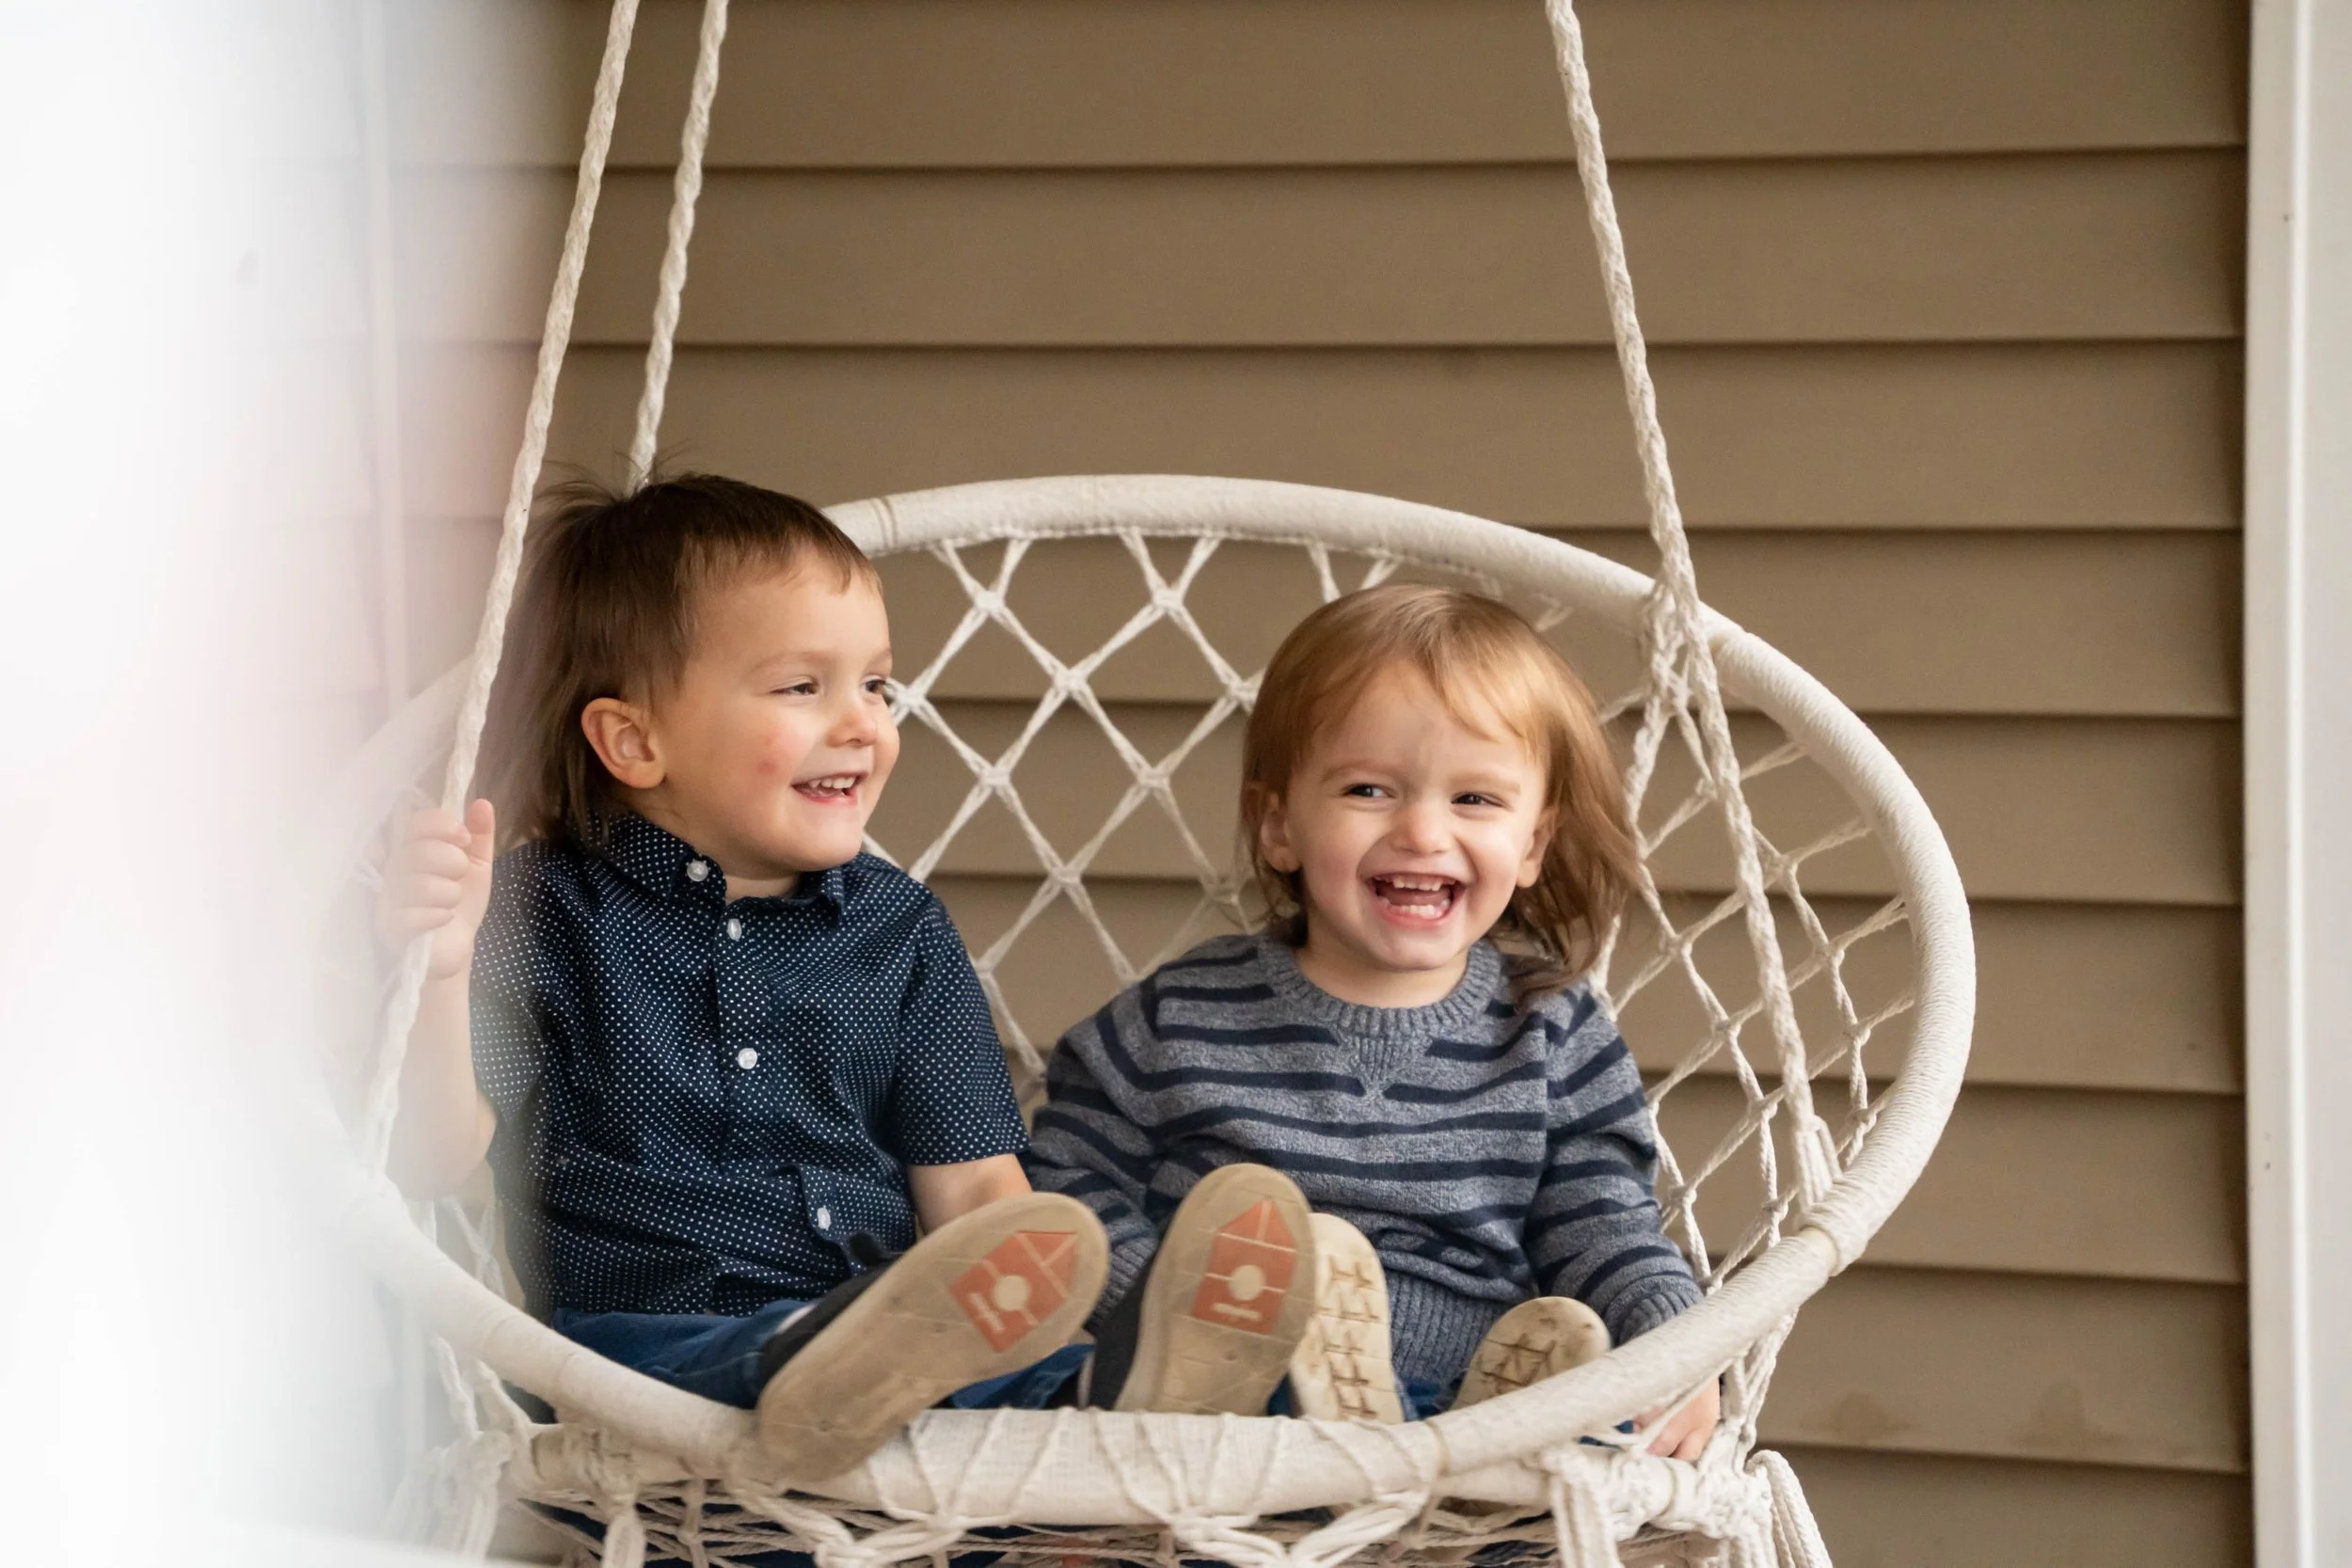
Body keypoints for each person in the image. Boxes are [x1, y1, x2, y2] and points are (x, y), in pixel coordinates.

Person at [375, 473, 1111, 1480]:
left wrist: (1033, 1325)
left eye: (876, 685)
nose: (860, 722)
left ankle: (1163, 1391)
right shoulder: (539, 915)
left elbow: (975, 1179)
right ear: (635, 740)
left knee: (1017, 1375)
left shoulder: (901, 935)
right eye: (803, 687)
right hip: (634, 1363)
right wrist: (441, 970)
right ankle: (851, 1355)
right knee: (776, 1354)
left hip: (895, 1357)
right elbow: (430, 1160)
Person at [1025, 583, 1722, 1456]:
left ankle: (1496, 1425)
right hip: (1226, 1403)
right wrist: (1158, 1308)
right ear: (1279, 824)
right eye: (1368, 789)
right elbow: (1063, 1176)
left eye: (1474, 799)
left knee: (1609, 1409)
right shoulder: (1182, 1016)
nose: (1424, 831)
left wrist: (1673, 1334)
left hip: (1465, 1404)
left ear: (1534, 845)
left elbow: (1601, 1217)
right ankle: (1314, 1391)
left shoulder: (1549, 1026)